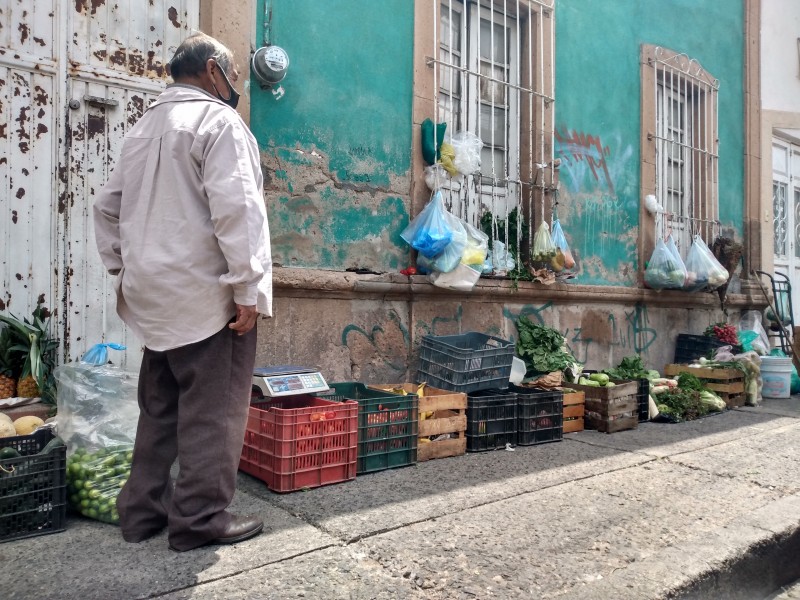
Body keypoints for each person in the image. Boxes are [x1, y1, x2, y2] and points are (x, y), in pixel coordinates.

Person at [93, 32, 272, 552]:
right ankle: (199, 519)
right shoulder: (219, 123)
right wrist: (248, 289)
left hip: (153, 294)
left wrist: (124, 267)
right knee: (213, 412)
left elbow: (106, 207)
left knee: (161, 408)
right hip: (206, 296)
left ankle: (141, 513)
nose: (234, 85)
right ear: (213, 71)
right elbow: (237, 209)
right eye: (233, 75)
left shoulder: (143, 127)